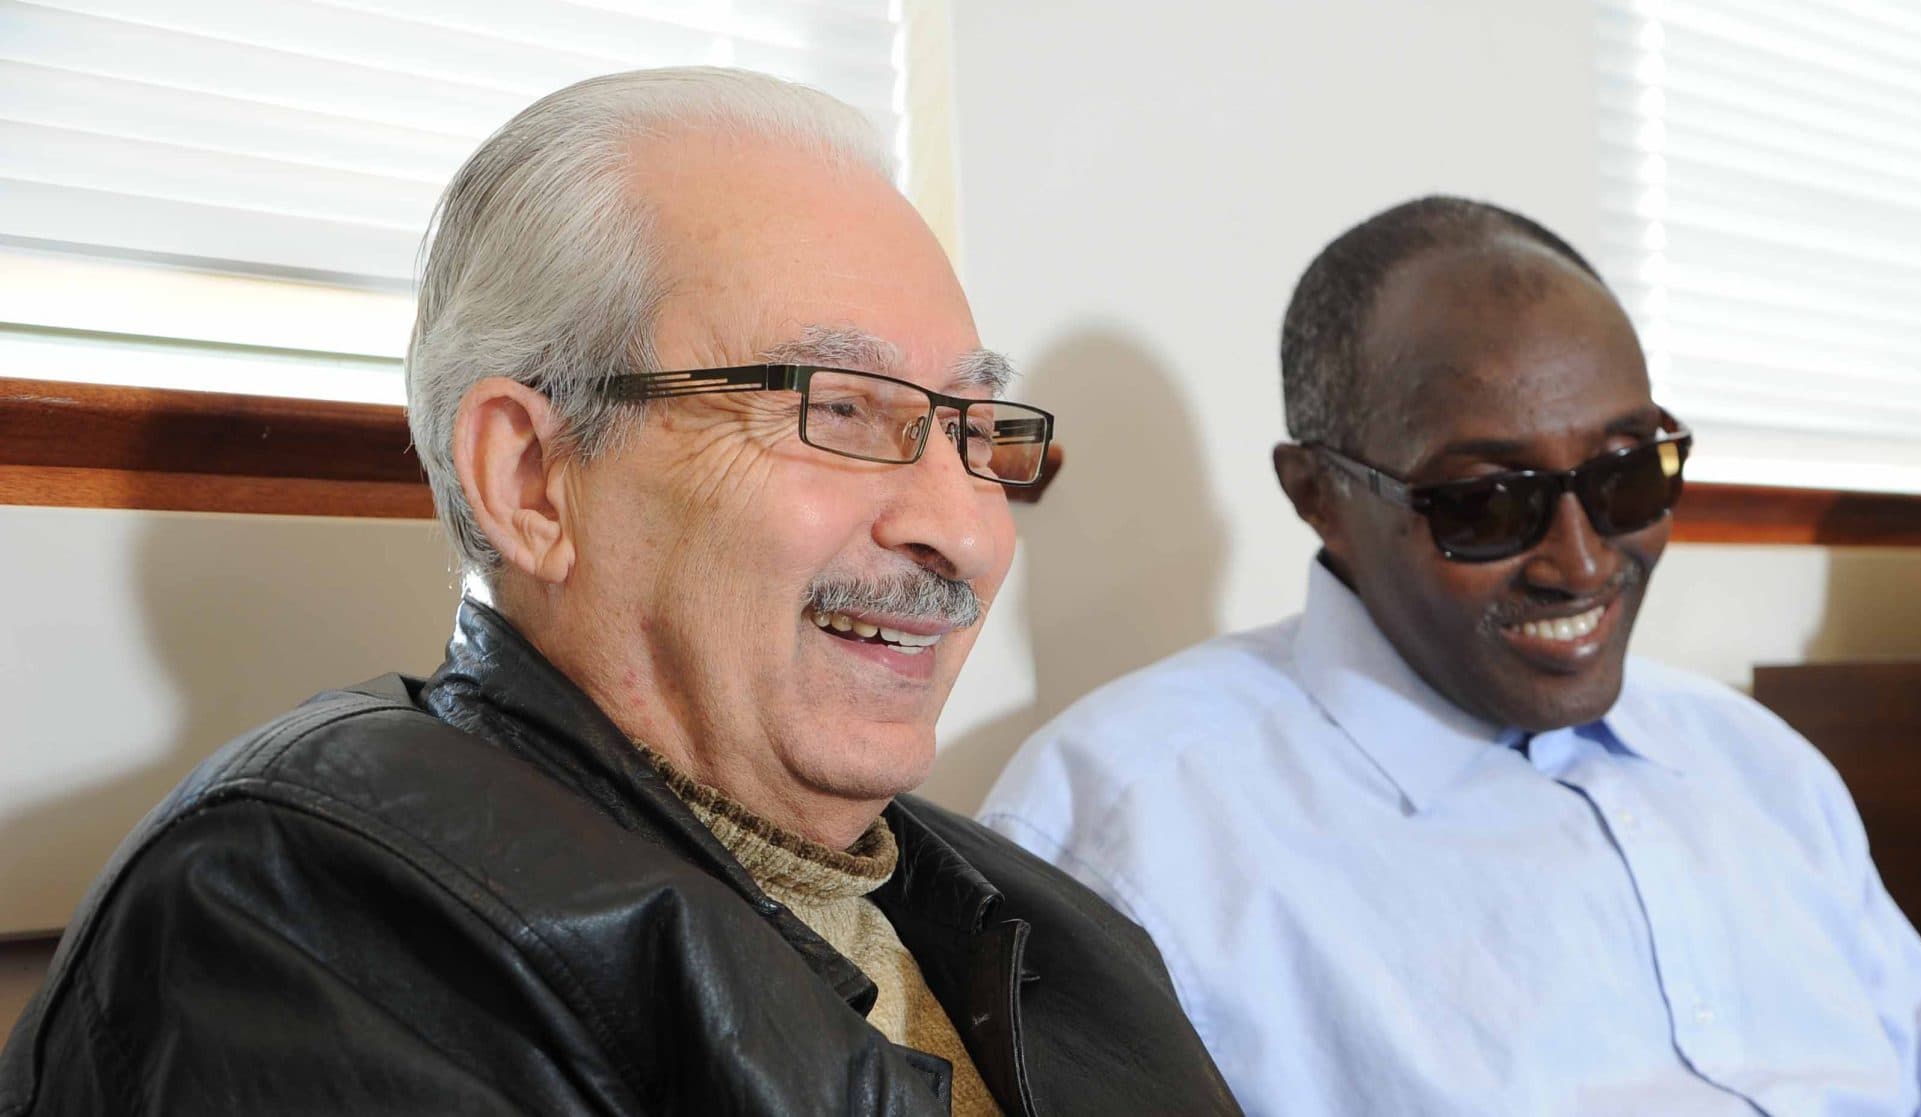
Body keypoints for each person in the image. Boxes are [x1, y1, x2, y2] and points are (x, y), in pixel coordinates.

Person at [0, 68, 1235, 1117]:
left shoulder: (1050, 923)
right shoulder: (298, 912)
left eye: (970, 427)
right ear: (532, 479)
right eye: (841, 409)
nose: (962, 530)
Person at [980, 196, 1921, 1115]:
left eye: (1627, 475)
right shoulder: (1126, 822)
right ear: (1317, 495)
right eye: (1487, 502)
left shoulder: (1757, 766)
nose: (1579, 562)